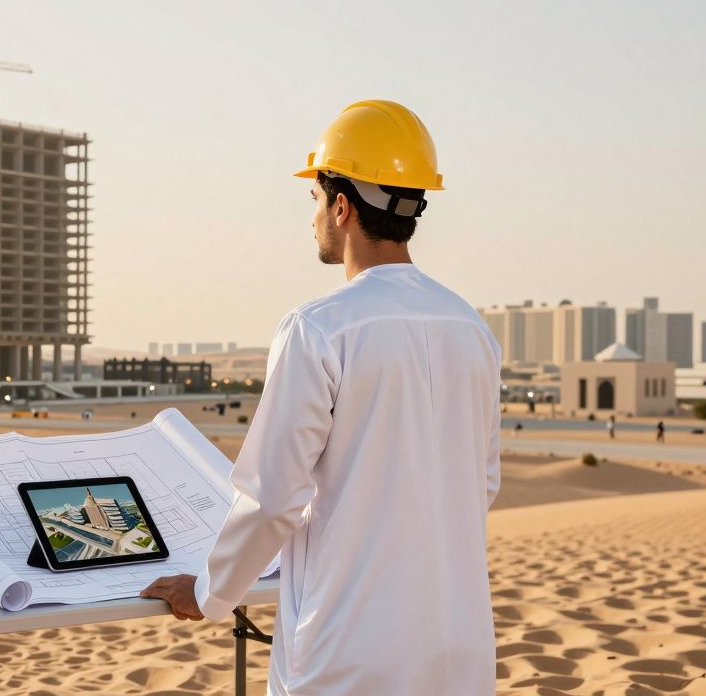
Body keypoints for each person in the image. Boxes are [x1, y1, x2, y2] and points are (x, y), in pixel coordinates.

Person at [141, 100, 500, 695]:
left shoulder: (318, 328)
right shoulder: (472, 329)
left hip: (347, 654)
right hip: (458, 654)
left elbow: (272, 497)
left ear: (342, 205)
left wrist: (209, 594)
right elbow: (479, 487)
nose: (312, 219)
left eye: (314, 200)